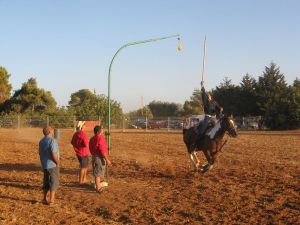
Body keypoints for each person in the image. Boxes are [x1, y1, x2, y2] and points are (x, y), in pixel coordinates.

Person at [39, 126, 60, 206]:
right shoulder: (52, 141)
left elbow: (40, 153)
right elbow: (53, 153)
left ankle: (44, 198)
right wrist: (57, 162)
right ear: (50, 132)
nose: (53, 132)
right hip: (52, 165)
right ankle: (51, 200)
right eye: (52, 131)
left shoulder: (41, 141)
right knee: (53, 181)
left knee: (46, 181)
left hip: (44, 164)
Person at [89, 125, 112, 192]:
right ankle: (98, 188)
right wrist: (107, 160)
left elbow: (92, 147)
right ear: (99, 131)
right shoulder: (100, 138)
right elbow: (102, 151)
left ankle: (98, 184)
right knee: (98, 173)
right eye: (102, 130)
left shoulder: (92, 138)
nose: (102, 131)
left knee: (97, 172)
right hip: (99, 158)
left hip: (94, 157)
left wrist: (107, 148)